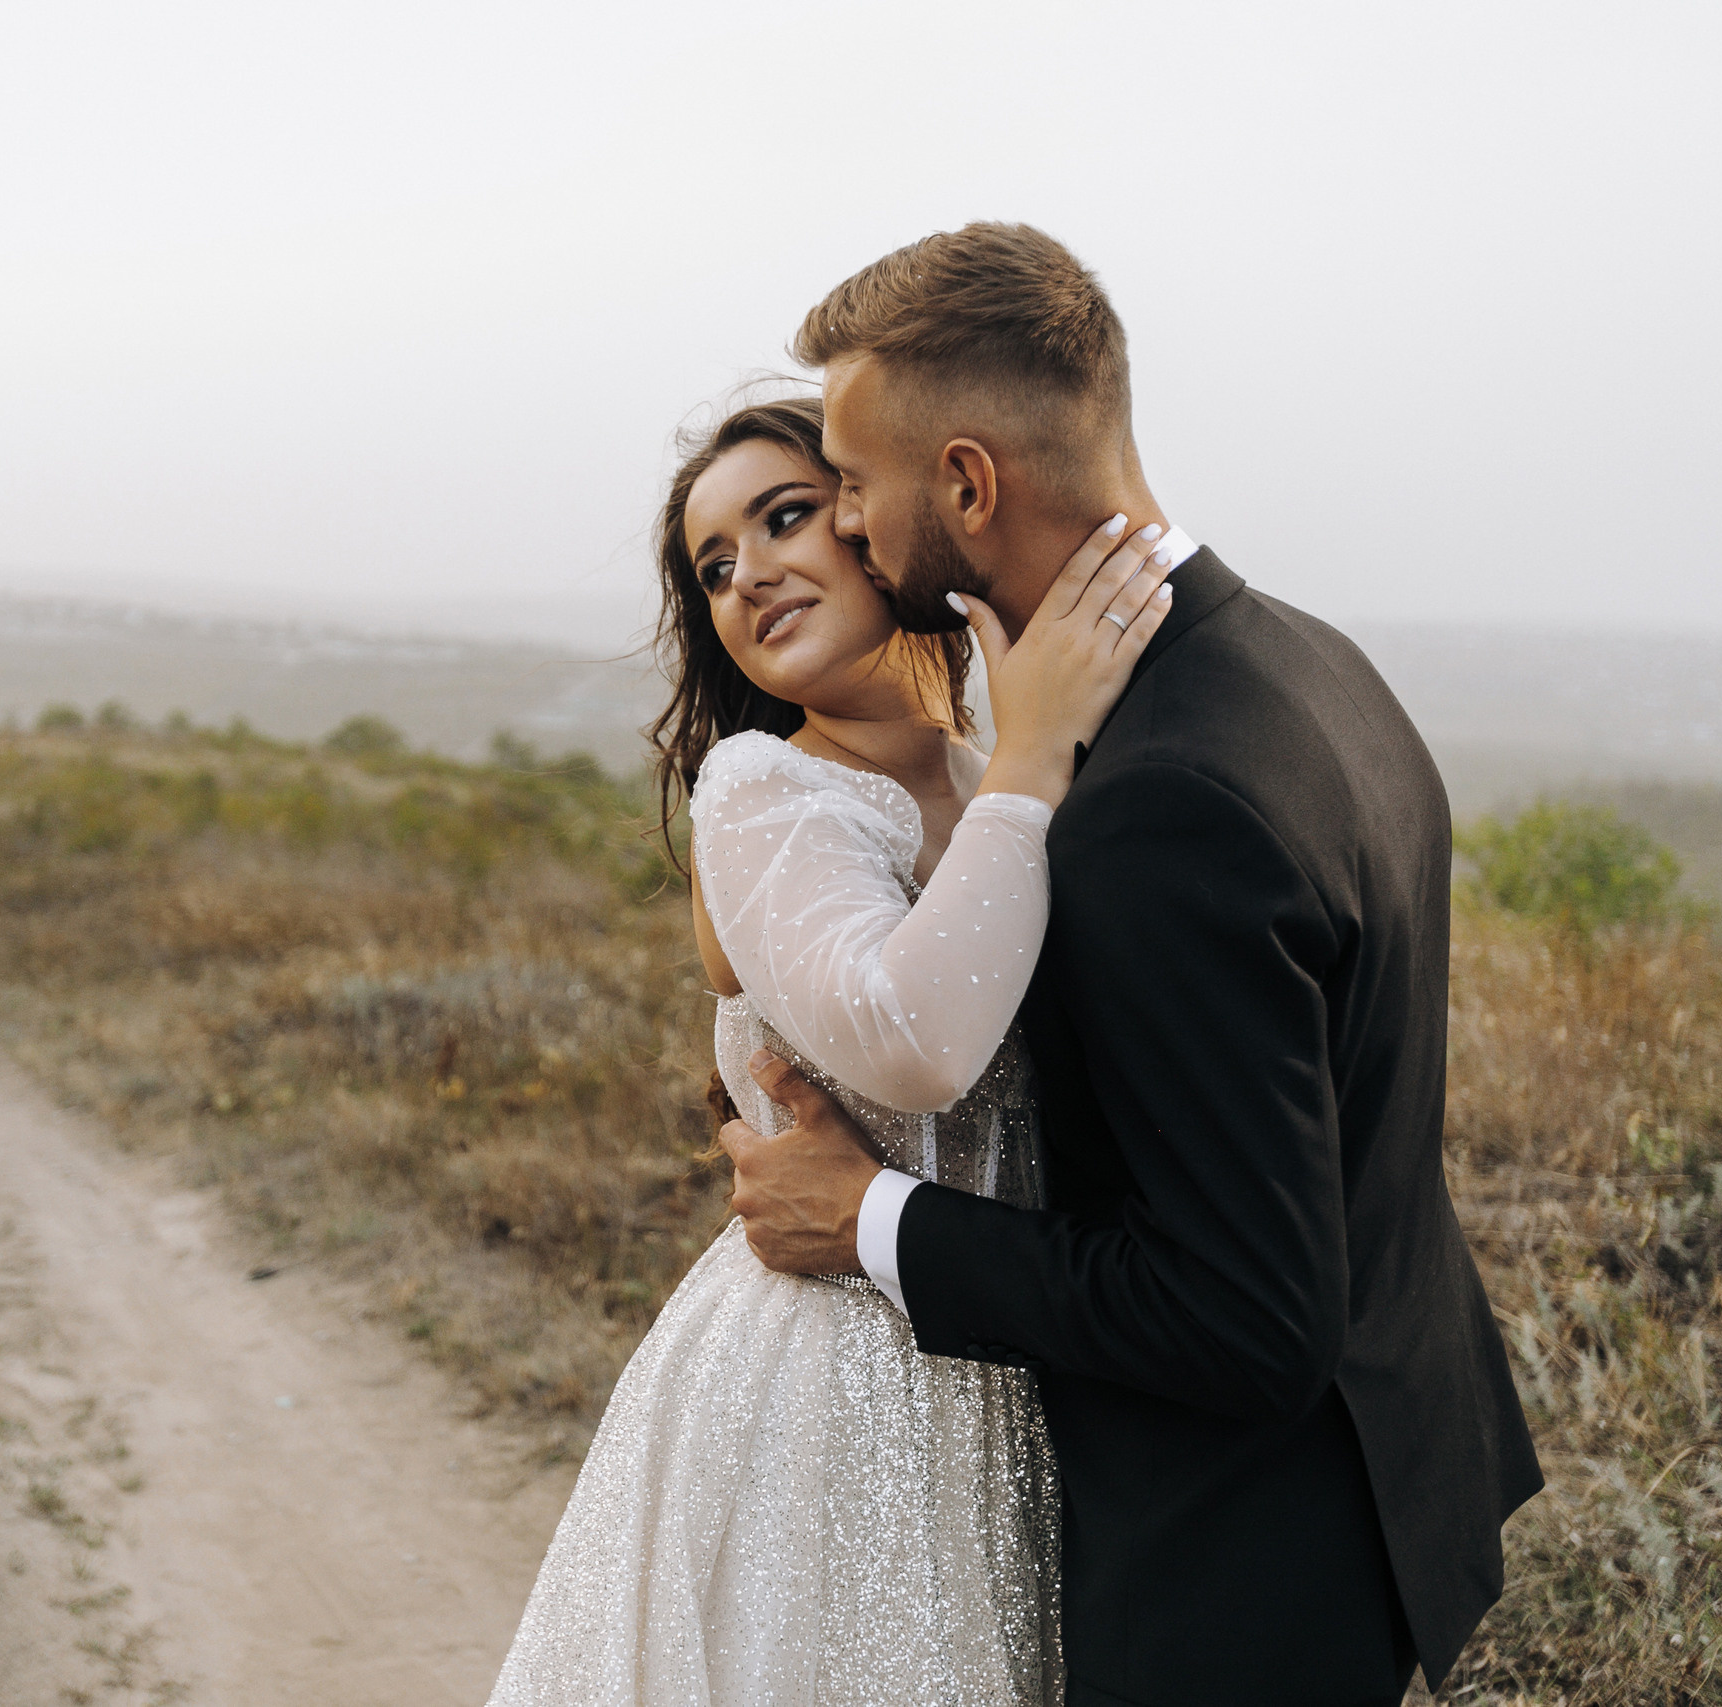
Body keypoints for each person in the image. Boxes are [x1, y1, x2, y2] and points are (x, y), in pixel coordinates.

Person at [719, 222, 1543, 1707]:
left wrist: (873, 1218)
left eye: (849, 483)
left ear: (967, 482)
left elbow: (1245, 1316)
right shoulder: (1308, 659)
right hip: (1381, 1478)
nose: (840, 523)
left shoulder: (1162, 803)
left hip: (1234, 1569)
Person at [486, 394, 1173, 1705]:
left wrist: (1022, 761)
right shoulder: (766, 790)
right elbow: (913, 1048)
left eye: (786, 516)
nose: (748, 576)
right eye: (715, 568)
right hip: (827, 1391)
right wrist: (1037, 755)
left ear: (877, 524)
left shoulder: (992, 782)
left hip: (1001, 1366)